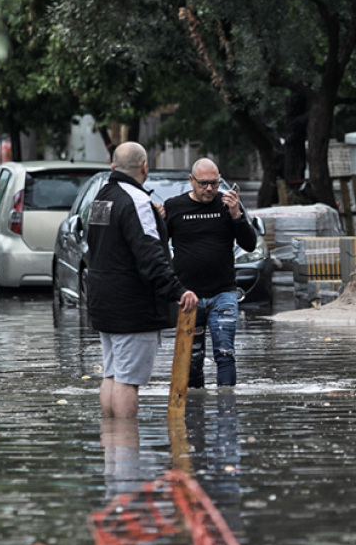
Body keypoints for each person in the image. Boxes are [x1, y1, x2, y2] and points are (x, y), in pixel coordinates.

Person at [85, 142, 198, 418]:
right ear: (145, 167)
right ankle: (126, 452)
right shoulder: (137, 201)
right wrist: (177, 291)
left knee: (112, 374)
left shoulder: (102, 197)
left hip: (103, 300)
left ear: (113, 166)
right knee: (128, 380)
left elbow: (100, 243)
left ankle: (113, 449)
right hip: (133, 306)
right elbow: (150, 255)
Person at [163, 158, 260, 389]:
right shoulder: (174, 206)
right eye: (203, 183)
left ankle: (227, 409)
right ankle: (195, 411)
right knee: (192, 359)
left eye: (214, 184)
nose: (209, 189)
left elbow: (250, 244)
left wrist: (237, 214)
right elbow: (158, 247)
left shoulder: (228, 204)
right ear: (191, 181)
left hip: (222, 293)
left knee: (225, 353)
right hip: (188, 296)